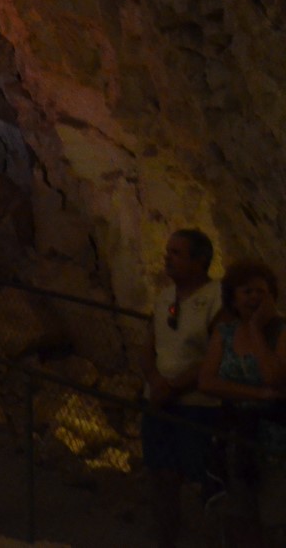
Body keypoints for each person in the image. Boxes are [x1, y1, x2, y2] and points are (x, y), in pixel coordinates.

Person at [140, 228, 223, 548]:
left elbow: (215, 354)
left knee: (199, 481)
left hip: (197, 406)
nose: (168, 258)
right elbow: (149, 345)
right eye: (168, 251)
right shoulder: (164, 297)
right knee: (160, 478)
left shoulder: (217, 298)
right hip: (160, 403)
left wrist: (172, 386)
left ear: (199, 261)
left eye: (177, 253)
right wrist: (155, 382)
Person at [198, 260, 286, 548]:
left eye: (261, 292)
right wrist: (256, 395)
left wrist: (257, 331)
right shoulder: (224, 334)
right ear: (233, 297)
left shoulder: (281, 333)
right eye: (247, 291)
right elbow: (207, 382)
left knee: (276, 519)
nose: (255, 298)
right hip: (236, 435)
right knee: (239, 519)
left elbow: (274, 377)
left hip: (275, 441)